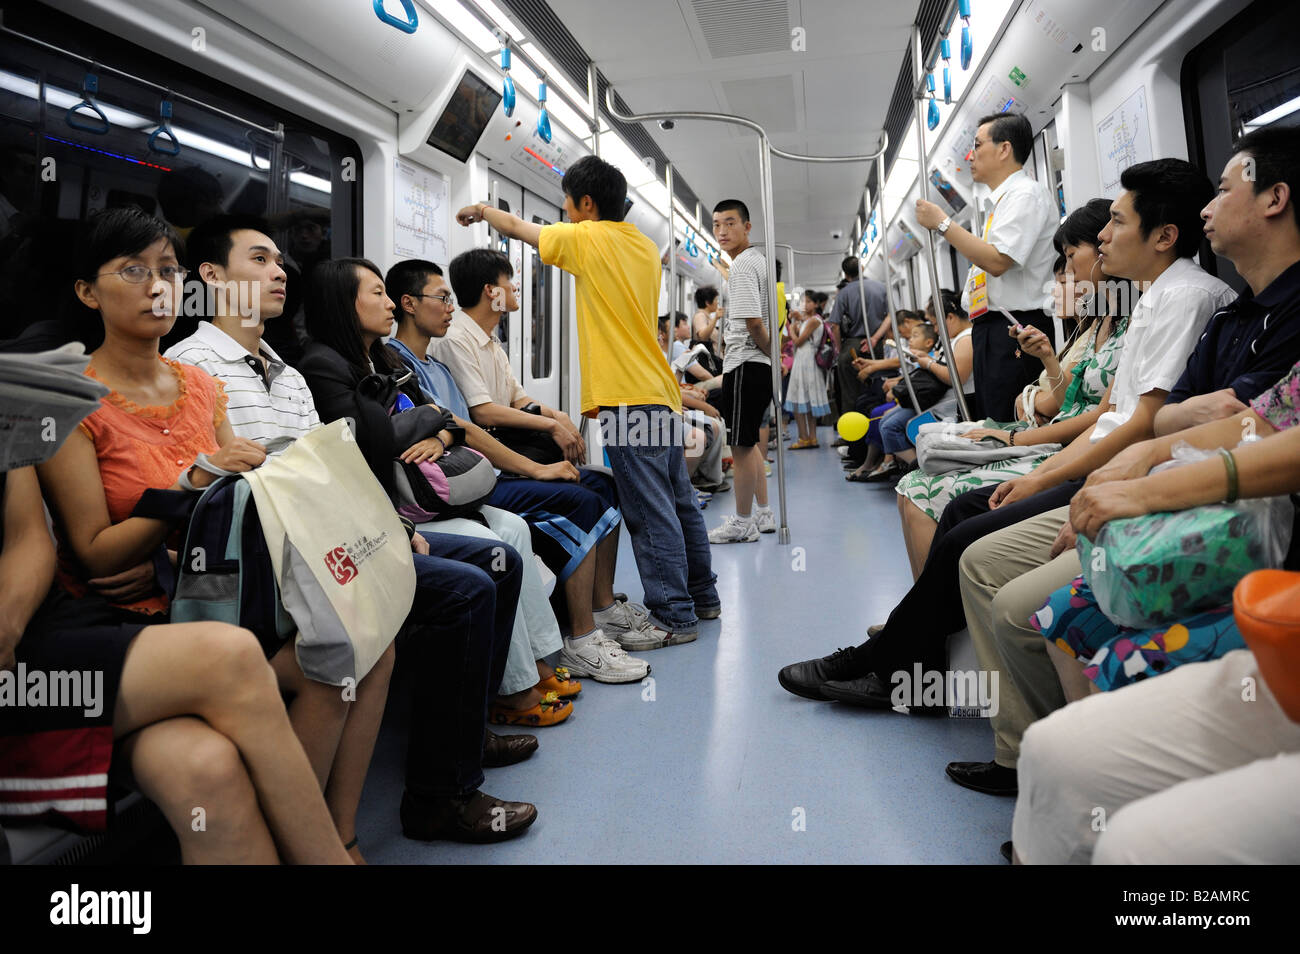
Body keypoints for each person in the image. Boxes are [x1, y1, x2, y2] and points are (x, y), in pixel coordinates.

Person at [777, 157, 1236, 713]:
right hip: (1089, 455)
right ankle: (910, 653)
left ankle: (896, 661)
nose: (1102, 241)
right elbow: (1114, 409)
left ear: (1162, 236)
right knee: (957, 512)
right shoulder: (1143, 304)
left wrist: (1036, 461)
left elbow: (1135, 421)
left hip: (1108, 465)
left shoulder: (1182, 298)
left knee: (962, 535)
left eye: (1113, 225)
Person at [949, 129, 1300, 802]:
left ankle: (1073, 778)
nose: (1097, 245)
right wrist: (1150, 443)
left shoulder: (1200, 300)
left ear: (1275, 198)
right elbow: (1171, 416)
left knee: (1017, 588)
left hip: (1231, 517)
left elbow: (1206, 424)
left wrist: (1086, 469)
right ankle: (1056, 774)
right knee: (979, 541)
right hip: (1155, 480)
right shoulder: (1228, 317)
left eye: (1225, 191)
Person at [33, 207, 375, 861]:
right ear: (86, 292)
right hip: (128, 615)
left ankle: (333, 834)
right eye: (133, 271)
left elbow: (234, 505)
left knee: (349, 650)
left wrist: (193, 511)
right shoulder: (67, 401)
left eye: (167, 270)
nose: (158, 286)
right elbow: (97, 554)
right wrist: (188, 488)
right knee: (210, 760)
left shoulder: (199, 386)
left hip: (210, 592)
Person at [296, 256, 539, 842]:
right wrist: (427, 417)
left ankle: (470, 729)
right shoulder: (322, 366)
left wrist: (432, 422)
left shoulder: (377, 360)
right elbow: (369, 440)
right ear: (341, 304)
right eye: (376, 293)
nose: (387, 302)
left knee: (500, 564)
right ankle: (440, 796)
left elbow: (445, 426)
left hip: (391, 523)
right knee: (470, 586)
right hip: (362, 534)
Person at [455, 154, 719, 647]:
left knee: (648, 508)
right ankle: (703, 596)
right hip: (659, 394)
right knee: (680, 501)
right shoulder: (643, 245)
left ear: (587, 204)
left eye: (567, 203)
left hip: (627, 399)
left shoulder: (586, 237)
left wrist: (480, 211)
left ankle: (674, 614)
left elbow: (519, 227)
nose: (563, 212)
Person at [1012, 416, 1300, 864]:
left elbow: (1185, 413)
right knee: (1050, 747)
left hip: (1266, 569)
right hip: (1239, 546)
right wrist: (1146, 453)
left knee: (1139, 842)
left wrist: (1145, 486)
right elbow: (1260, 418)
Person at [392, 254, 652, 679]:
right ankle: (581, 639)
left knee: (604, 486)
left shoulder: (454, 357)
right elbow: (479, 417)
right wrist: (538, 456)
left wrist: (555, 417)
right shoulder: (437, 350)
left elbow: (504, 401)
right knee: (582, 504)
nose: (450, 307)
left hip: (479, 466)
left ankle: (599, 611)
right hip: (470, 478)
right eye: (510, 284)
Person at [894, 201, 1126, 576]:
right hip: (1050, 439)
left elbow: (1089, 413)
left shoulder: (1131, 322)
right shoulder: (1095, 327)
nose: (1062, 281)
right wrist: (1048, 362)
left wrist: (1015, 439)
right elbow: (1064, 400)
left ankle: (928, 620)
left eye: (1069, 263)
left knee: (930, 492)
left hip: (1062, 447)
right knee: (915, 481)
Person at [914, 112, 1058, 420]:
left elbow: (996, 261)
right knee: (990, 416)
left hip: (1017, 328)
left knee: (1007, 420)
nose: (971, 154)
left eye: (977, 145)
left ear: (1004, 149)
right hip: (992, 328)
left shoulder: (1026, 195)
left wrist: (942, 223)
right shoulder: (1001, 202)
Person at [708, 198, 777, 543]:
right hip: (755, 365)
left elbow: (753, 322)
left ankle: (742, 521)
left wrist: (769, 353)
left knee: (739, 445)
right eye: (717, 224)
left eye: (730, 223)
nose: (722, 231)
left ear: (747, 227)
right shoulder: (752, 262)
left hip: (746, 363)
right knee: (748, 446)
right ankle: (762, 511)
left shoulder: (744, 266)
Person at [827, 256, 889, 420]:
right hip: (875, 345)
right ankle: (876, 430)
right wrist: (875, 338)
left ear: (846, 274)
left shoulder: (843, 293)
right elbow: (891, 316)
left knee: (850, 394)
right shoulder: (881, 287)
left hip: (852, 346)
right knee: (876, 388)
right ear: (862, 268)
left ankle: (853, 439)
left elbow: (835, 325)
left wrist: (841, 350)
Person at [784, 292, 830, 447]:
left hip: (805, 360)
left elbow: (798, 342)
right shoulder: (812, 320)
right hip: (806, 359)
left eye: (809, 301)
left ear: (816, 304)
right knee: (808, 400)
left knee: (798, 397)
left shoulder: (814, 321)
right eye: (804, 301)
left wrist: (791, 329)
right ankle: (811, 437)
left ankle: (804, 438)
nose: (805, 304)